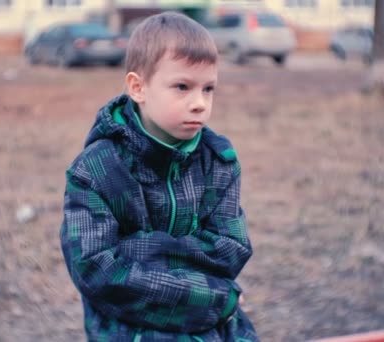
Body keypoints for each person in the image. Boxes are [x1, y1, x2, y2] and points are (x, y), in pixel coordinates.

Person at [60, 11, 258, 341]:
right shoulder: (95, 170)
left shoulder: (219, 160)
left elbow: (231, 249)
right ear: (138, 87)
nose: (199, 104)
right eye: (182, 87)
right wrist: (215, 297)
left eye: (208, 89)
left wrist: (139, 250)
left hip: (212, 328)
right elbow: (97, 272)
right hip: (130, 329)